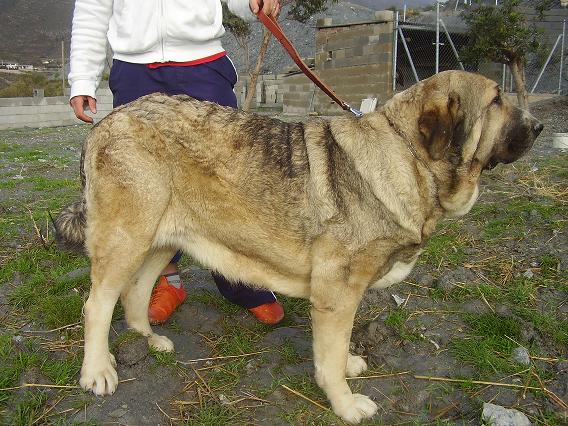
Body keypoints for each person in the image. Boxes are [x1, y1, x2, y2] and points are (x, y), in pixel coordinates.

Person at [68, 0, 284, 325]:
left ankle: (243, 284)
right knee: (146, 189)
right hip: (134, 70)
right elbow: (91, 9)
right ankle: (167, 280)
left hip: (202, 65)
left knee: (227, 183)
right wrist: (83, 79)